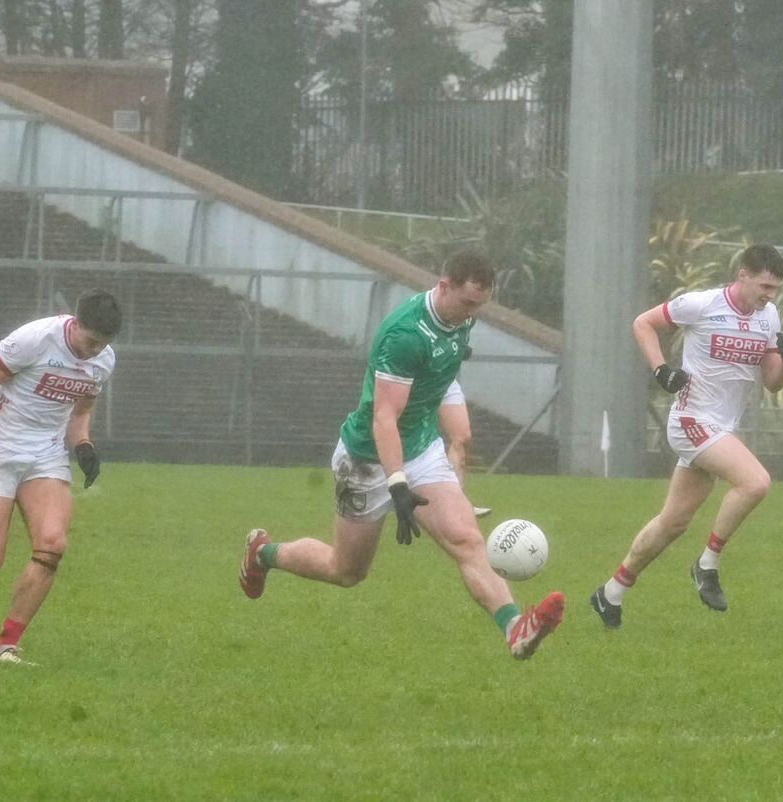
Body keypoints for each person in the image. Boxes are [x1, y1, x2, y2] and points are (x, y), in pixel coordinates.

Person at [239, 251, 564, 659]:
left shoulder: (460, 318)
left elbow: (439, 375)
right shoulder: (405, 334)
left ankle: (515, 627)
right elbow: (384, 418)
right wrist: (398, 486)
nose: (472, 313)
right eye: (467, 303)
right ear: (443, 286)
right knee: (346, 571)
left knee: (465, 539)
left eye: (480, 305)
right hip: (365, 459)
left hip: (421, 448)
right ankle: (264, 553)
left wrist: (455, 436)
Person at [589, 244, 783, 628]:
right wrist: (661, 370)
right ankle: (707, 565)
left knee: (673, 522)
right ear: (743, 275)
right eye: (765, 286)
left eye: (775, 290)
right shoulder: (701, 305)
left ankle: (610, 593)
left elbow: (773, 384)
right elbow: (643, 323)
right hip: (691, 420)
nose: (769, 296)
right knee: (756, 483)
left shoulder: (769, 317)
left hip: (721, 428)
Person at [0, 290, 122, 664]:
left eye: (102, 344)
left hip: (46, 456)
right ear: (75, 323)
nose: (93, 351)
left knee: (52, 544)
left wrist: (83, 444)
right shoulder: (34, 339)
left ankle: (6, 647)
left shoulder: (103, 359)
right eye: (89, 341)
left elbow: (82, 408)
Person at [438, 379, 492, 518]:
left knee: (461, 437)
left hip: (444, 376)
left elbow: (466, 355)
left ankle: (457, 504)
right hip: (413, 375)